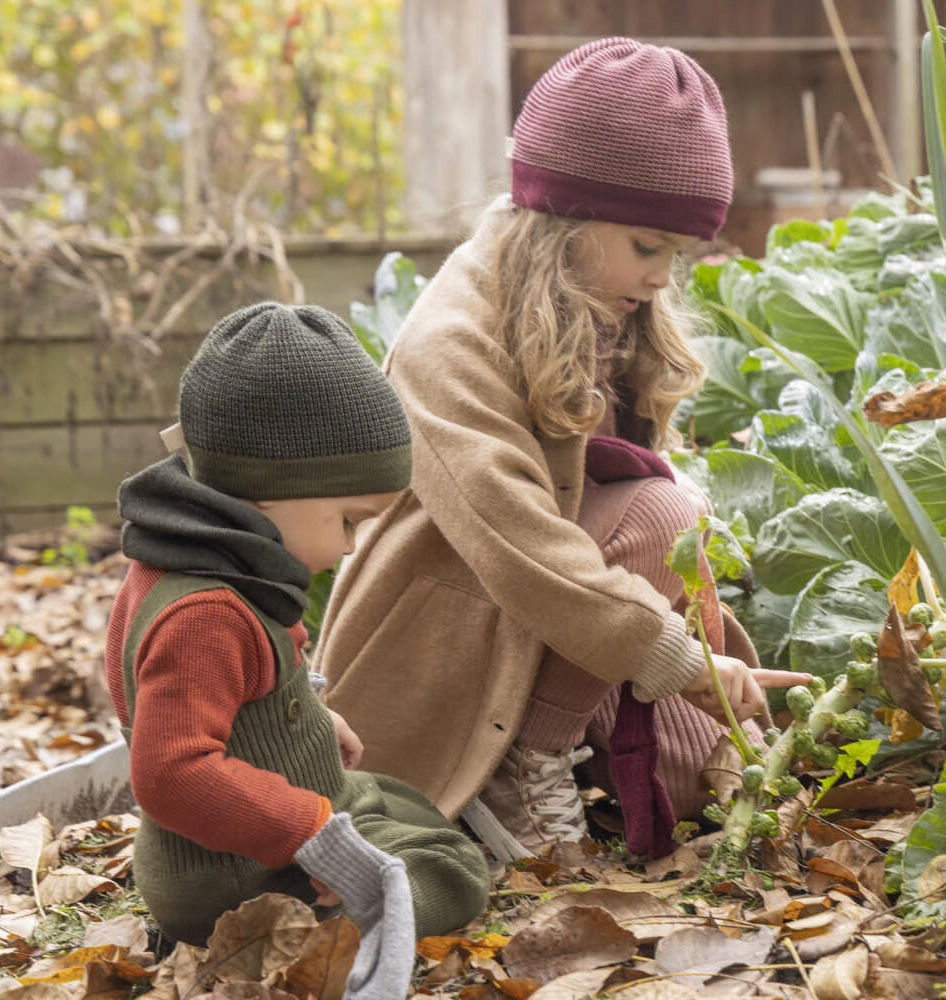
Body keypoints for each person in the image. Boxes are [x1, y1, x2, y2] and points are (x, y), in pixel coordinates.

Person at [315, 37, 812, 861]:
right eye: (647, 247)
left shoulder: (598, 307)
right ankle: (522, 763)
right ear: (562, 218)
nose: (661, 278)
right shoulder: (451, 340)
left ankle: (571, 741)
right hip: (444, 625)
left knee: (690, 790)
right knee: (660, 511)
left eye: (677, 255)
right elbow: (522, 547)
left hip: (550, 616)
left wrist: (700, 669)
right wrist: (674, 657)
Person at [104, 302, 490, 1000]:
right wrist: (310, 831)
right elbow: (167, 771)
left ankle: (323, 894)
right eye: (346, 520)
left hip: (255, 826)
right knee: (450, 868)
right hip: (231, 868)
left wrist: (308, 712)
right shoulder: (205, 614)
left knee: (406, 804)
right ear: (272, 494)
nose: (347, 545)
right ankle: (325, 932)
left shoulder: (199, 561)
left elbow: (239, 688)